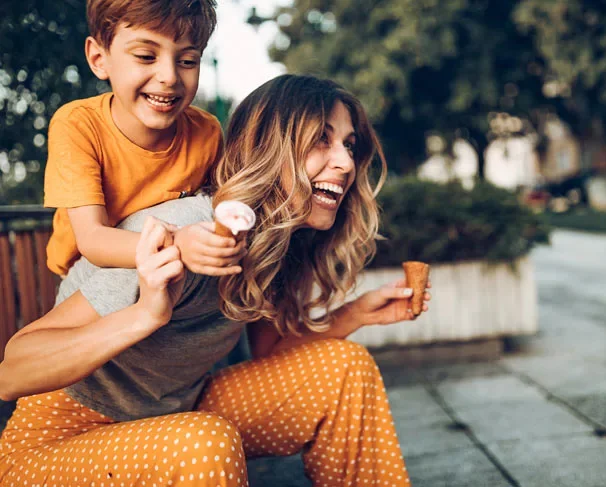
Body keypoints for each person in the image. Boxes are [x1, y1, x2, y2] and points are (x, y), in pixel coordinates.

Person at [0, 75, 432, 486]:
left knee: (344, 368)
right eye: (322, 138)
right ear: (269, 146)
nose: (345, 162)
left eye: (349, 144)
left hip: (171, 415)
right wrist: (144, 314)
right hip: (56, 442)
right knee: (204, 445)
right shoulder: (183, 230)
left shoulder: (273, 245)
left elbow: (268, 351)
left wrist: (355, 313)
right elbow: (13, 370)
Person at [44, 0, 245, 278]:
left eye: (187, 61)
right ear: (99, 60)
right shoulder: (78, 124)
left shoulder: (206, 132)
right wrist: (177, 243)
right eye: (145, 56)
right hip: (89, 275)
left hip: (164, 270)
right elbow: (91, 238)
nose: (169, 77)